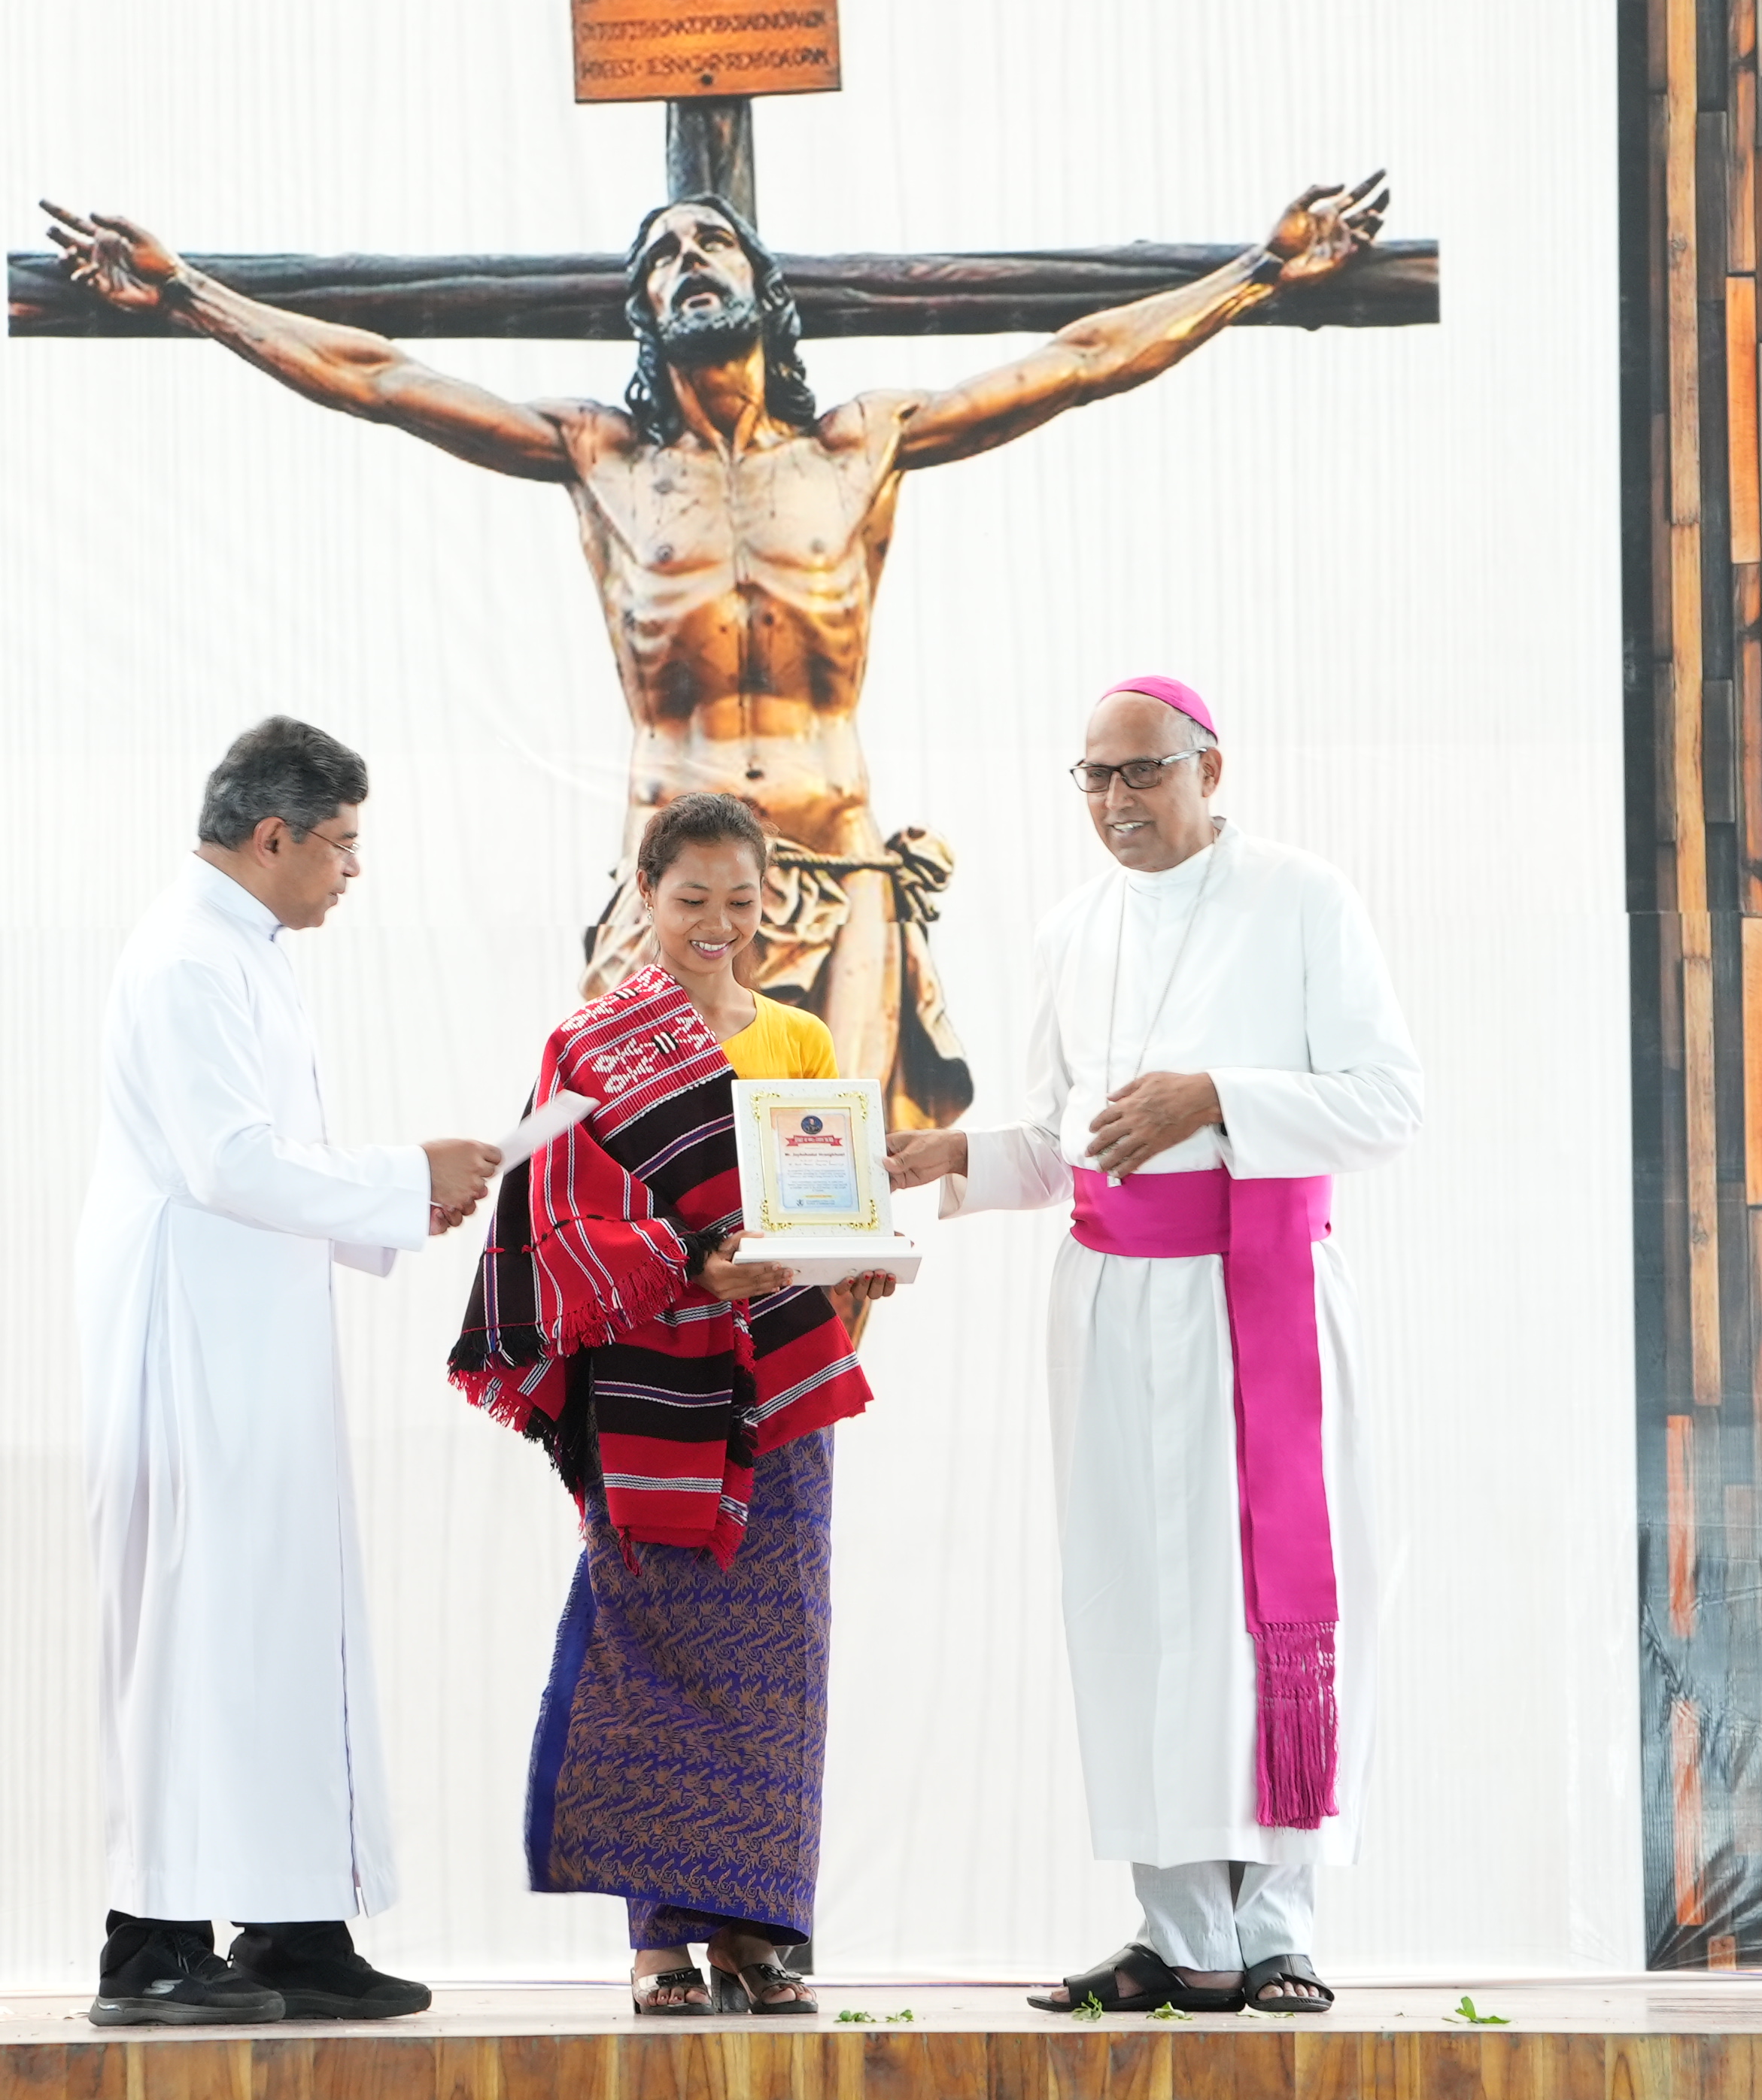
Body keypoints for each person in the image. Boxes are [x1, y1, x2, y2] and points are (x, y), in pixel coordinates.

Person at [42, 174, 1392, 1131]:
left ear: (763, 287)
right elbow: (380, 378)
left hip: (836, 876)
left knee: (832, 1195)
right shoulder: (600, 457)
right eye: (661, 256)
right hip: (676, 888)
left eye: (712, 243)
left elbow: (1082, 358)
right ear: (642, 308)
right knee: (643, 1169)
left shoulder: (863, 444)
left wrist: (1261, 273)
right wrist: (189, 294)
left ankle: (801, 1462)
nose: (686, 260)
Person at [885, 681, 1421, 2016]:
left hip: (1260, 1298)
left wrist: (1218, 1098)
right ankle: (1181, 1934)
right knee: (1135, 1609)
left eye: (1142, 772)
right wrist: (958, 1156)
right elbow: (1060, 1137)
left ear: (1208, 769)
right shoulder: (1073, 930)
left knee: (1266, 1614)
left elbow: (1388, 1104)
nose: (1116, 800)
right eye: (1095, 777)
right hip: (1112, 1311)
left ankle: (1279, 1930)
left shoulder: (1303, 900)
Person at [78, 715, 504, 2026]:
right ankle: (151, 1942)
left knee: (278, 1623)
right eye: (342, 844)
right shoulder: (187, 959)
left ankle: (292, 1924)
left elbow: (267, 1156)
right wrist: (400, 1178)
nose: (353, 870)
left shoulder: (240, 948)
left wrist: (396, 1200)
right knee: (201, 1624)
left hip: (252, 1326)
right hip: (192, 1335)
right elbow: (228, 1162)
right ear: (274, 836)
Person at [451, 791, 896, 2018]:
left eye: (742, 902)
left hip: (779, 1379)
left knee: (777, 1663)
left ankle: (757, 1933)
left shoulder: (798, 1039)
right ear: (644, 893)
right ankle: (659, 1943)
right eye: (692, 898)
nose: (718, 924)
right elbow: (552, 1227)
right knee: (652, 1653)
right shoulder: (591, 1046)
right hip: (650, 1386)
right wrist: (691, 1262)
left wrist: (854, 1256)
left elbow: (829, 1196)